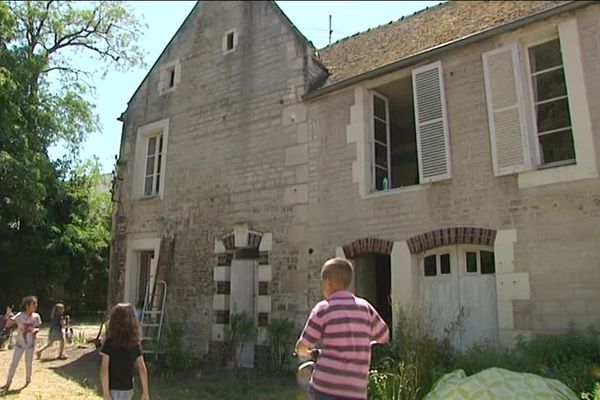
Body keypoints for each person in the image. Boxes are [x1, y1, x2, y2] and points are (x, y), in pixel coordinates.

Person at [295, 258, 390, 400]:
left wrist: (309, 353)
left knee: (311, 389)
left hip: (326, 389)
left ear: (327, 283)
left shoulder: (324, 308)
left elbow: (303, 346)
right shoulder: (365, 308)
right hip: (356, 391)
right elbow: (384, 336)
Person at [100, 303, 150, 400]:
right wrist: (145, 392)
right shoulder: (135, 343)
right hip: (128, 389)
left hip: (112, 388)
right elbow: (142, 369)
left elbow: (104, 369)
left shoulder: (109, 343)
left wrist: (106, 393)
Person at [0, 296, 42, 393]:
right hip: (20, 344)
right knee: (14, 364)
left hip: (30, 344)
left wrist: (35, 331)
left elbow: (38, 327)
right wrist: (8, 317)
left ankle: (28, 380)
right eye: (33, 304)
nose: (35, 306)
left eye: (36, 304)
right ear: (27, 305)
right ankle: (8, 384)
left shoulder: (36, 316)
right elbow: (8, 324)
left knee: (28, 364)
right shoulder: (20, 315)